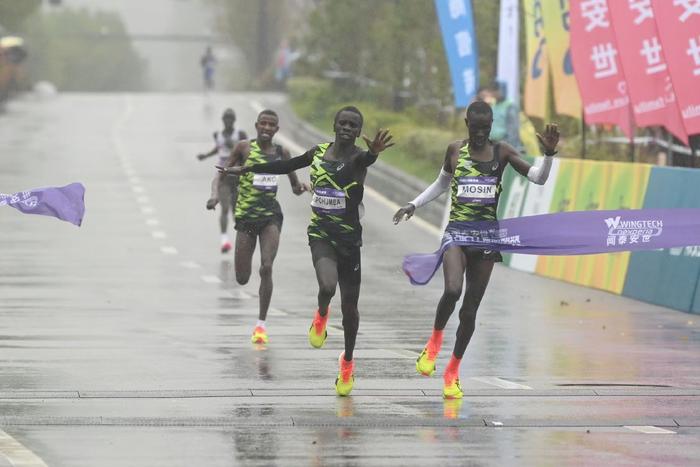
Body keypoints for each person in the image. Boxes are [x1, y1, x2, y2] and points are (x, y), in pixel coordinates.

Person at [221, 106, 394, 396]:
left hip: (350, 240)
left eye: (354, 125)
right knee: (327, 286)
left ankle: (347, 362)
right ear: (335, 125)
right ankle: (322, 313)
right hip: (322, 235)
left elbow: (367, 158)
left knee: (350, 310)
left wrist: (374, 153)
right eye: (343, 123)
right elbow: (285, 167)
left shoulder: (357, 160)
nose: (348, 129)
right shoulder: (318, 153)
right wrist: (249, 168)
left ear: (357, 130)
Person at [393, 101, 559, 399]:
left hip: (486, 239)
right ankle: (433, 343)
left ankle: (453, 372)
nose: (480, 134)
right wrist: (413, 204)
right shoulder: (455, 150)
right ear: (466, 123)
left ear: (492, 125)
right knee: (453, 291)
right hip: (457, 233)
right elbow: (440, 184)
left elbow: (539, 177)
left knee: (469, 312)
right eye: (475, 128)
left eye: (486, 128)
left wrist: (548, 155)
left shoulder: (502, 152)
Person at [208, 109, 307, 344]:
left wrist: (302, 186)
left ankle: (261, 326)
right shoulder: (244, 148)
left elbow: (293, 186)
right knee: (242, 277)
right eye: (263, 123)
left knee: (266, 267)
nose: (266, 128)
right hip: (246, 219)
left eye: (271, 125)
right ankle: (257, 315)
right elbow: (220, 175)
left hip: (270, 217)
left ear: (276, 130)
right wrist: (215, 196)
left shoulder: (282, 153)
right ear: (256, 125)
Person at [198, 108, 248, 253]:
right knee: (224, 208)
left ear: (234, 120)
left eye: (231, 119)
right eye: (226, 119)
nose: (228, 121)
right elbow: (218, 148)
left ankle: (242, 241)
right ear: (222, 120)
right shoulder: (217, 135)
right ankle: (224, 240)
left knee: (236, 211)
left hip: (237, 174)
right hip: (223, 174)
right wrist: (206, 155)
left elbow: (246, 149)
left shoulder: (240, 134)